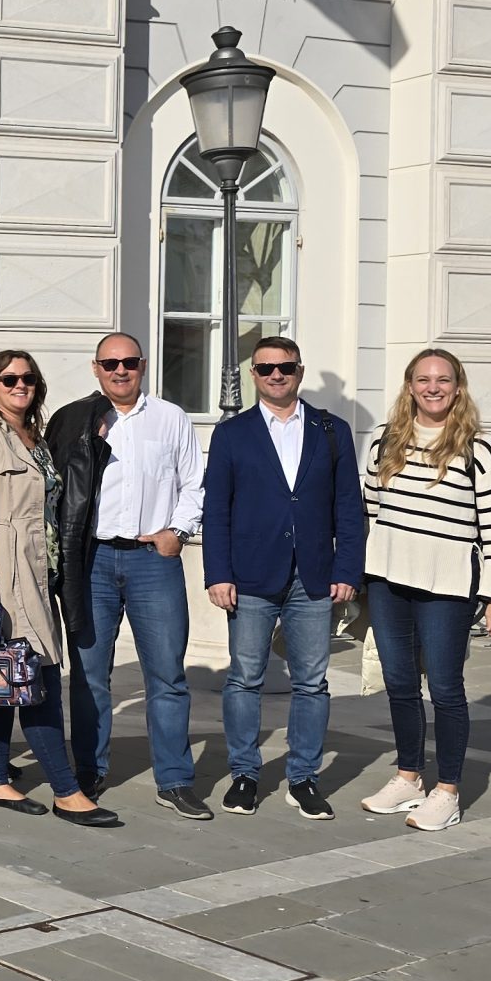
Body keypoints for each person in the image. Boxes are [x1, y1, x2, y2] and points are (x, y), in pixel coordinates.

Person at [0, 350, 119, 826]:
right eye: (10, 378)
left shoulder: (35, 436)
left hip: (37, 573)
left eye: (28, 378)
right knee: (40, 682)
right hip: (0, 575)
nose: (20, 385)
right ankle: (67, 790)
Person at [47, 331, 211, 821]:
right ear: (96, 368)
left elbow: (194, 483)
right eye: (110, 363)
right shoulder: (75, 419)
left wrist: (177, 532)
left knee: (167, 675)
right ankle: (88, 772)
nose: (121, 370)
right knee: (89, 676)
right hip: (92, 561)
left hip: (151, 560)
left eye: (130, 362)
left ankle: (175, 780)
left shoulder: (170, 417)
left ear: (143, 365)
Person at [202, 336, 366, 823]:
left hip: (314, 576)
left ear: (300, 371)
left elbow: (348, 507)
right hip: (250, 575)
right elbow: (217, 509)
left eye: (286, 367)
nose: (277, 375)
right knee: (244, 679)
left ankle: (303, 778)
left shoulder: (331, 430)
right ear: (253, 374)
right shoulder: (232, 434)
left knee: (312, 682)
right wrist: (218, 573)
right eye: (266, 368)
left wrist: (347, 569)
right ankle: (245, 774)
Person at [358, 347, 491, 833]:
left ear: (458, 387)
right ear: (409, 387)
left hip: (447, 584)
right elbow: (370, 510)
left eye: (443, 380)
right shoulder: (383, 440)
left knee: (445, 688)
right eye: (423, 379)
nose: (433, 388)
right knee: (400, 683)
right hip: (388, 579)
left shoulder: (479, 449)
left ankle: (447, 791)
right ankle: (409, 777)